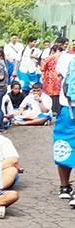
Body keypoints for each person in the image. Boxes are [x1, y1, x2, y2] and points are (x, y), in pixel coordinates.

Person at [52, 49, 75, 203]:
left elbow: (59, 75)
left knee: (64, 145)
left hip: (68, 109)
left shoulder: (64, 58)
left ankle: (64, 187)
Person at [41, 45, 64, 115]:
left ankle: (52, 109)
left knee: (50, 93)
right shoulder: (63, 57)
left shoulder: (50, 57)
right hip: (59, 76)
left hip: (50, 76)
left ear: (52, 51)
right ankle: (58, 109)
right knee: (58, 93)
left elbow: (43, 67)